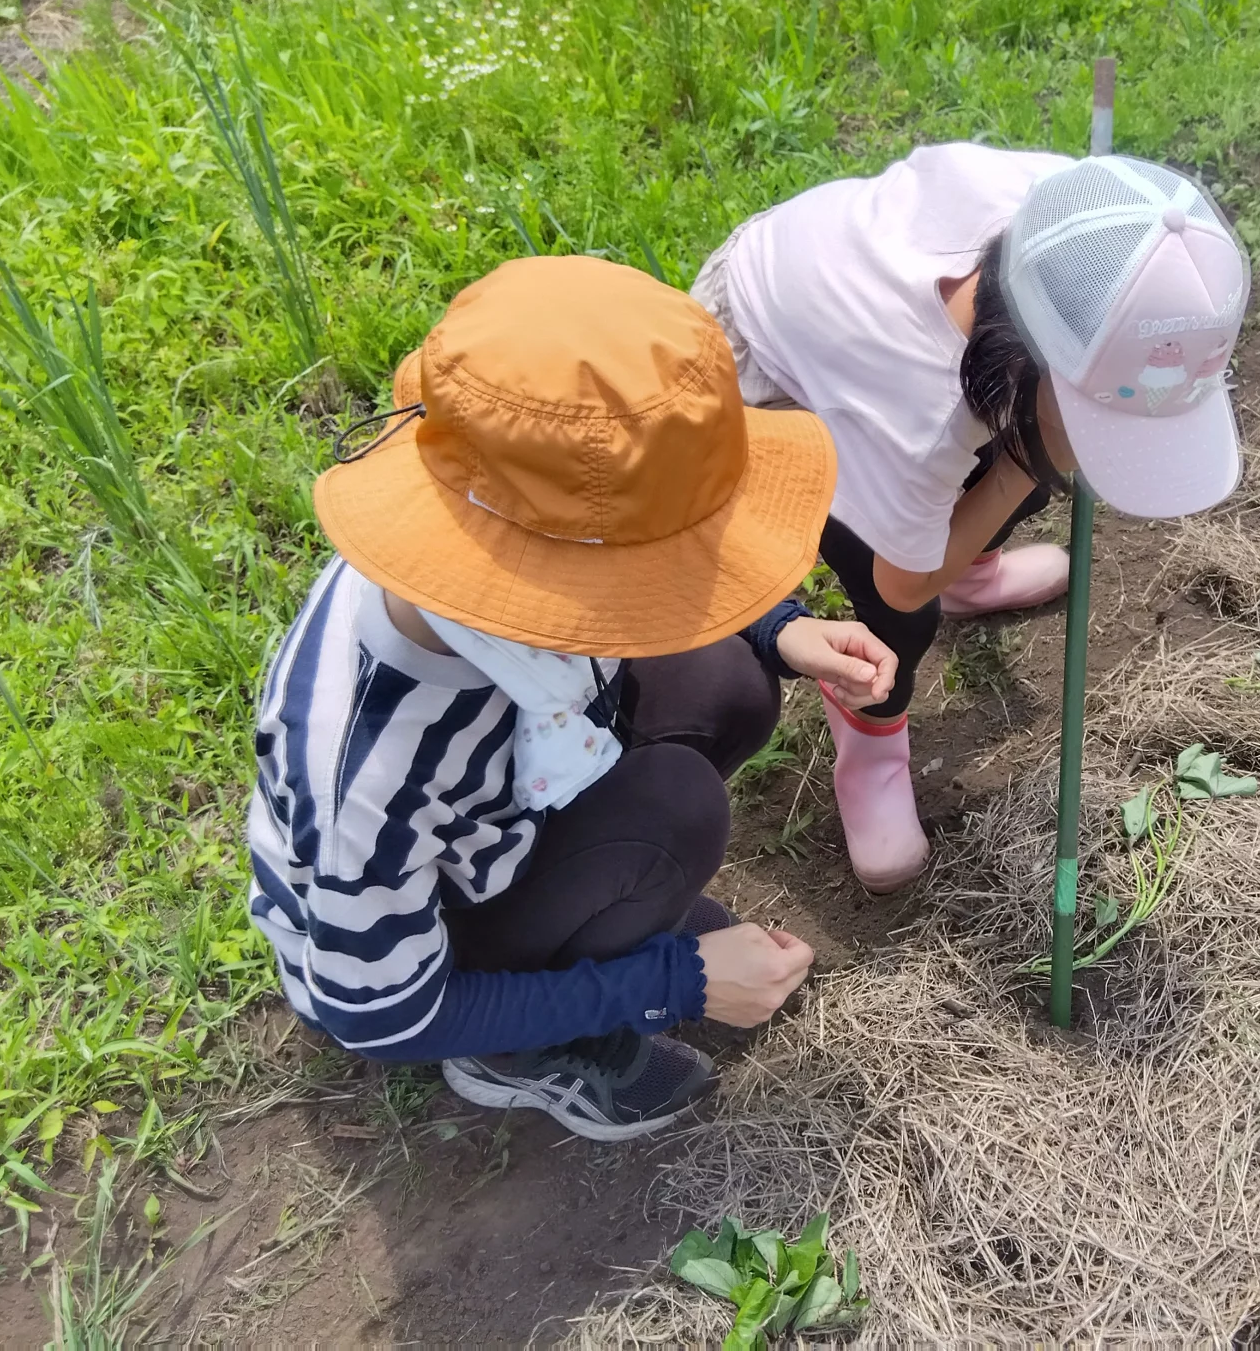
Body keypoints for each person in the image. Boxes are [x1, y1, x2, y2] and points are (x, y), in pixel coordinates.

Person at [245, 256, 901, 1141]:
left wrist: (773, 629)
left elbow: (652, 572)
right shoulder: (368, 773)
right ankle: (521, 1053)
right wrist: (671, 983)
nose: (663, 594)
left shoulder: (478, 529)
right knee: (677, 809)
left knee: (727, 681)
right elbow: (379, 1015)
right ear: (550, 578)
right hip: (435, 948)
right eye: (646, 575)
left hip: (518, 791)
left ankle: (607, 913)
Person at [693, 145, 1249, 892]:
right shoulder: (920, 413)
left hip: (861, 299)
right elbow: (899, 586)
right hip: (766, 372)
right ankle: (870, 733)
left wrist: (1039, 450)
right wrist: (1023, 462)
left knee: (1031, 461)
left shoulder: (1099, 224)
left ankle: (968, 559)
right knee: (906, 598)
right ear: (1021, 363)